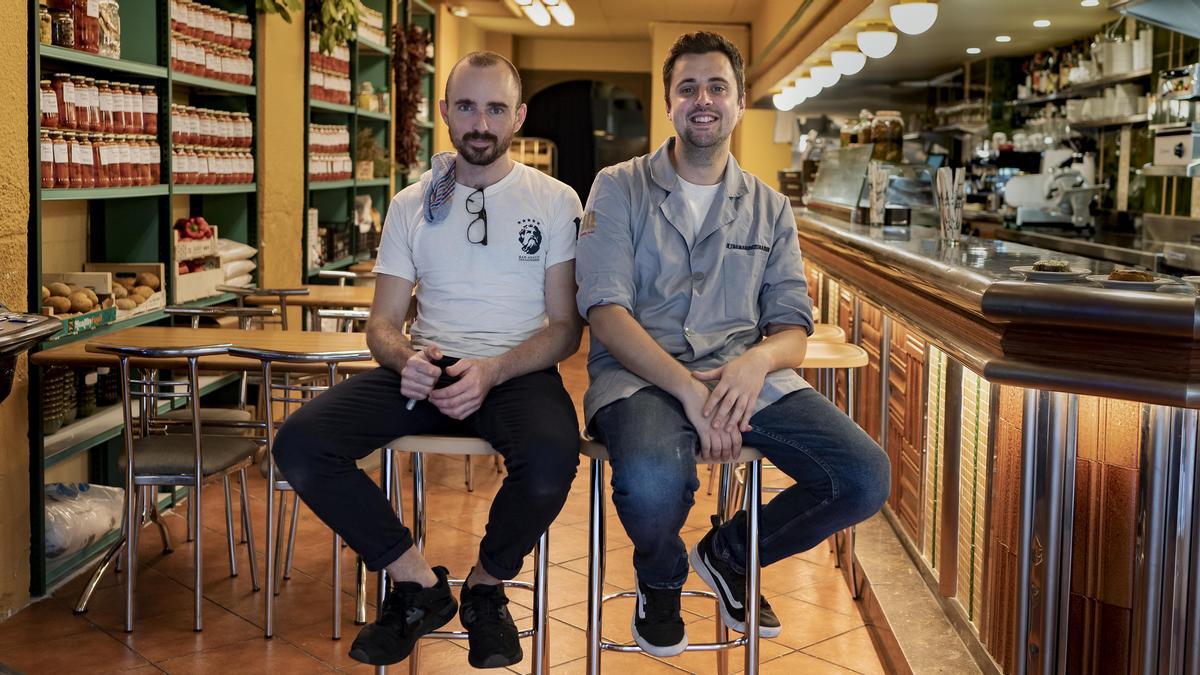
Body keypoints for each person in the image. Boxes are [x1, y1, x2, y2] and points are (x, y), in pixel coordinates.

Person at [575, 31, 890, 657]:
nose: (703, 99)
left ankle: (730, 552)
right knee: (654, 476)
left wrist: (756, 362)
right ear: (668, 101)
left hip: (749, 378)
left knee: (862, 476)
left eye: (717, 87)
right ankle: (660, 577)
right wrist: (690, 392)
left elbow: (793, 325)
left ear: (740, 102)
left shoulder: (771, 208)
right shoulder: (618, 186)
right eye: (688, 87)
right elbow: (606, 312)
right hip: (640, 376)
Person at [273, 51, 583, 669]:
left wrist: (493, 370)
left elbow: (565, 328)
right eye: (466, 106)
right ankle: (416, 584)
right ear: (443, 112)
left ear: (518, 117)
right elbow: (382, 325)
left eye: (496, 108)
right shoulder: (411, 203)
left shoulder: (554, 200)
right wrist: (406, 358)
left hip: (514, 372)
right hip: (427, 366)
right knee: (301, 443)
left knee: (553, 460)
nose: (480, 123)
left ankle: (486, 589)